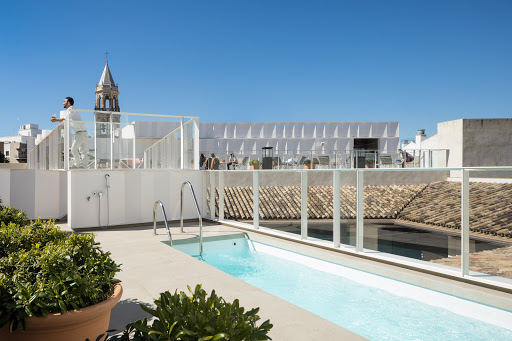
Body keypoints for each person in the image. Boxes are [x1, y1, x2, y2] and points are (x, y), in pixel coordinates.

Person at [51, 97, 88, 168]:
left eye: (64, 101)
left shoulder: (71, 108)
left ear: (68, 103)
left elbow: (65, 119)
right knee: (82, 150)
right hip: (80, 132)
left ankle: (77, 165)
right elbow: (66, 119)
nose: (63, 103)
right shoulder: (71, 110)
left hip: (81, 132)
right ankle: (84, 165)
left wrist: (56, 120)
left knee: (74, 149)